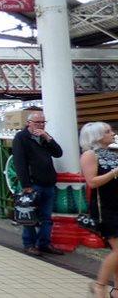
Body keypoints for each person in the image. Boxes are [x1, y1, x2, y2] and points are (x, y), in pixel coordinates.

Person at [11, 107, 64, 256]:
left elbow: (58, 153)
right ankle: (29, 244)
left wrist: (47, 137)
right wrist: (26, 185)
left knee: (46, 217)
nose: (41, 125)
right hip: (33, 183)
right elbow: (19, 163)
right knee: (29, 215)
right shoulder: (21, 138)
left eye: (43, 122)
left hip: (48, 182)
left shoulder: (44, 137)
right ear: (29, 123)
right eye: (37, 122)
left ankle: (44, 243)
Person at [81, 122, 118, 298]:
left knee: (116, 252)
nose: (112, 133)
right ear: (97, 136)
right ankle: (100, 285)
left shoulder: (112, 153)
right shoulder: (90, 155)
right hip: (105, 208)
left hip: (116, 203)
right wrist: (114, 173)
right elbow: (92, 181)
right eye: (107, 131)